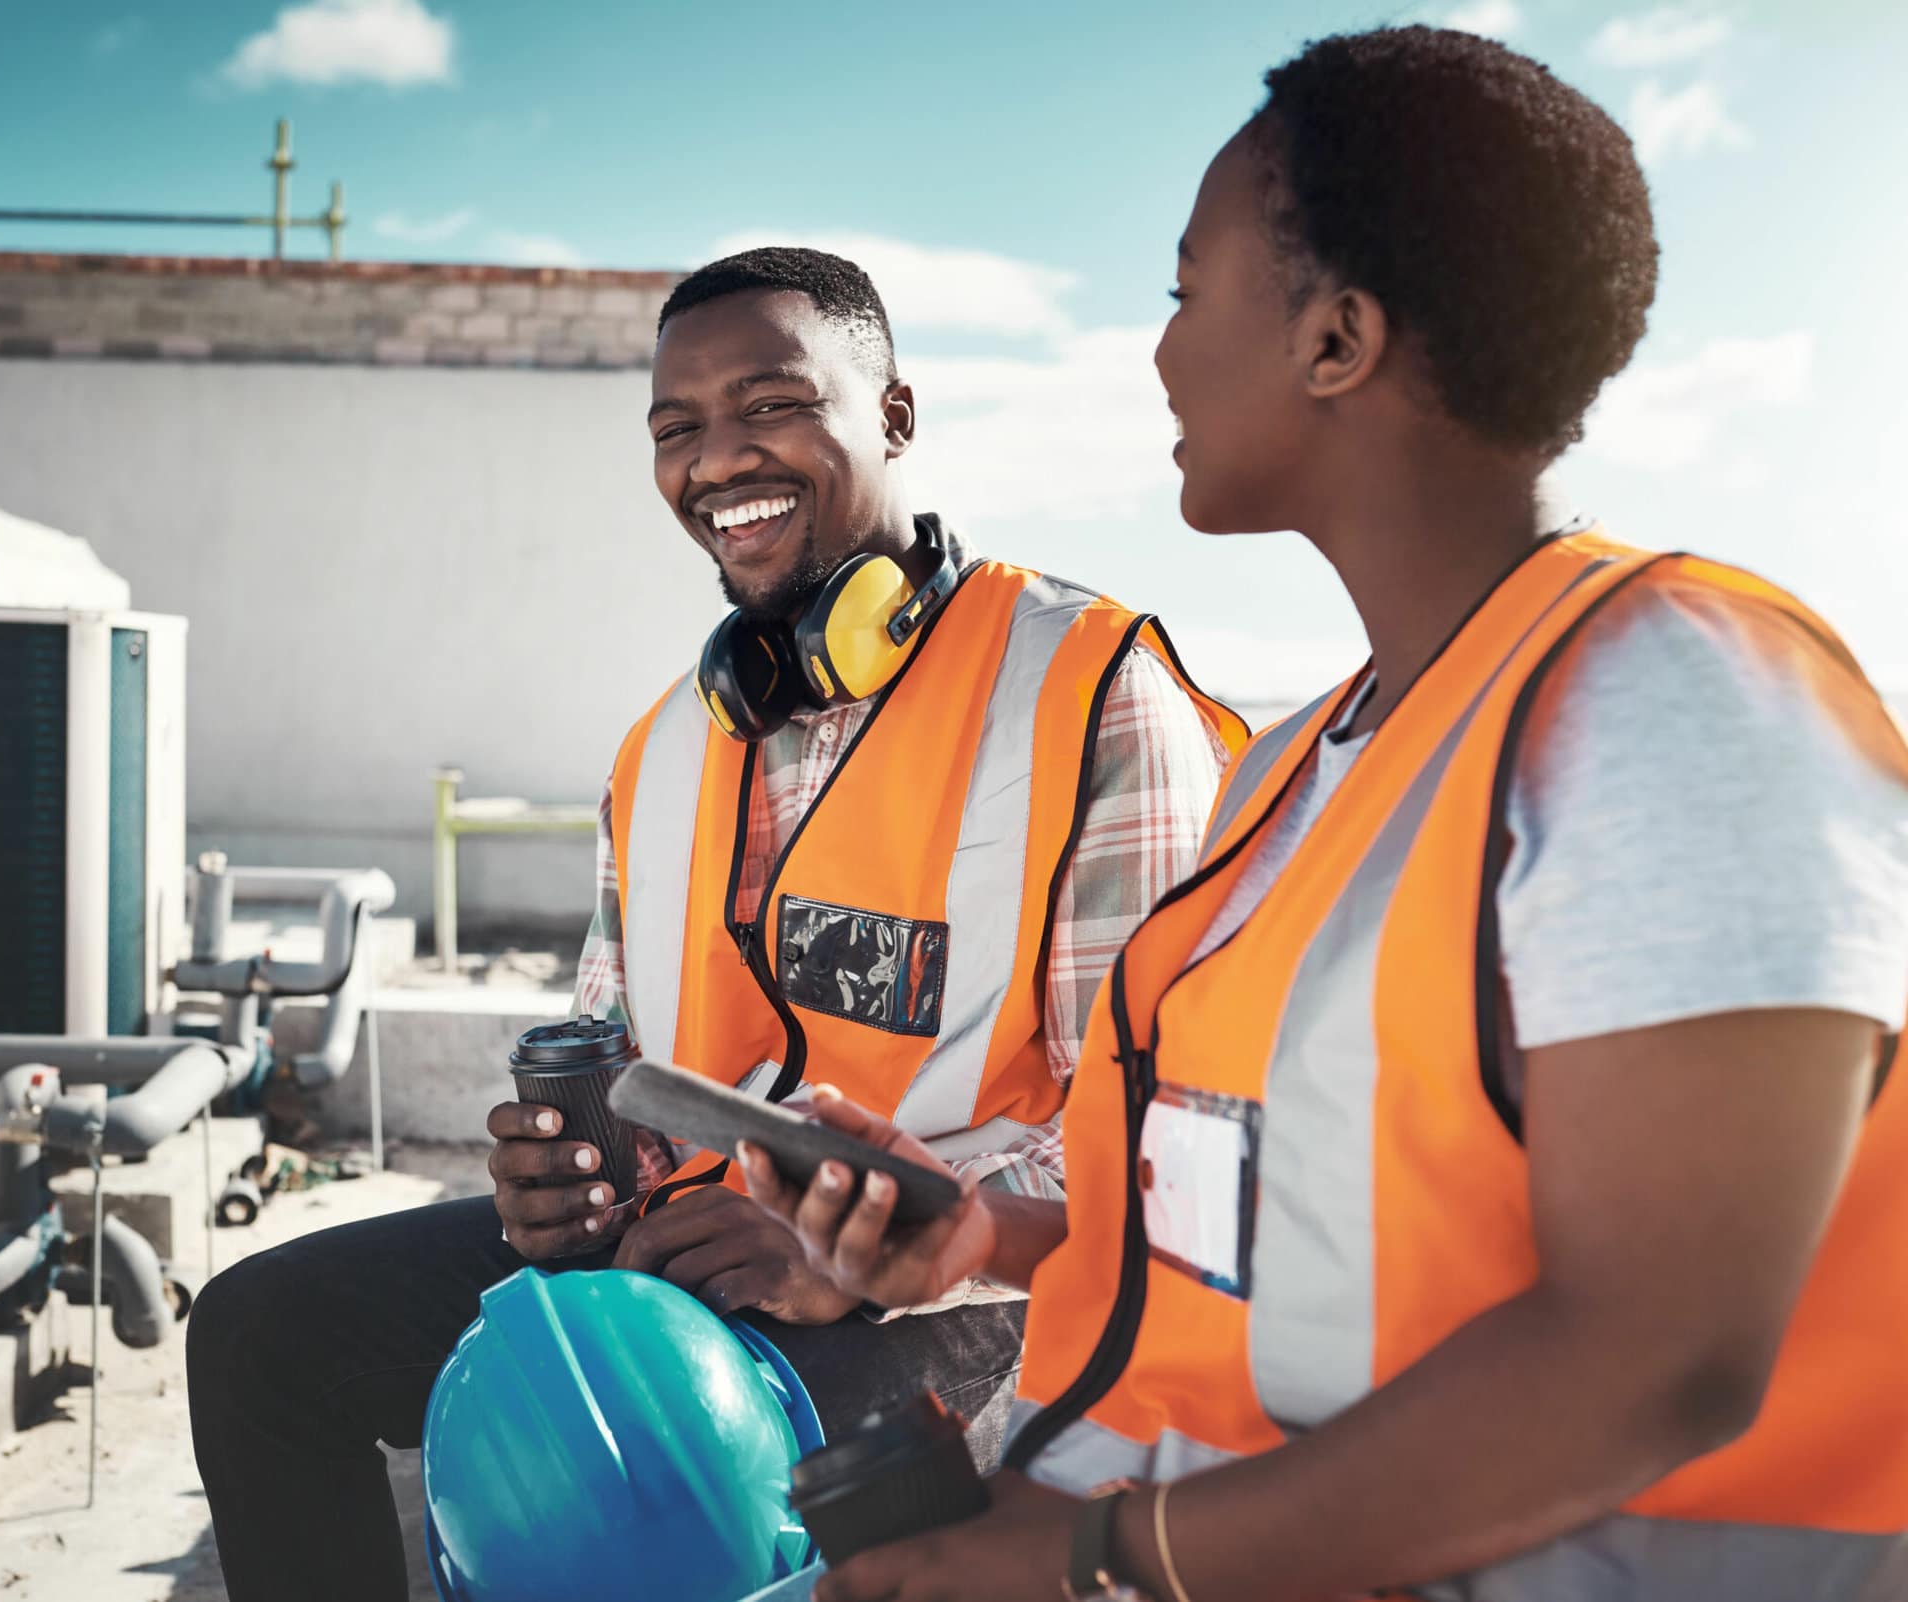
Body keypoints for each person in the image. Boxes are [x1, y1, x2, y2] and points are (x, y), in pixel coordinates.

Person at [742, 27, 1908, 1602]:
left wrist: (1101, 1556)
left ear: (1337, 339)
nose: (1156, 353)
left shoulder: (1673, 695)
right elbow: (1273, 1217)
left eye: (1184, 290)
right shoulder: (1304, 763)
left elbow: (1658, 1356)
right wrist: (980, 1241)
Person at [185, 246, 1241, 1602]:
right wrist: (567, 1175)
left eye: (770, 406)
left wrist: (867, 1258)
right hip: (679, 1261)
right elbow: (623, 1044)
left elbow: (1162, 1154)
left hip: (966, 1306)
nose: (716, 458)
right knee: (261, 1335)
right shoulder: (667, 744)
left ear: (896, 418)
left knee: (637, 1477)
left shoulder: (1093, 694)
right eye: (677, 430)